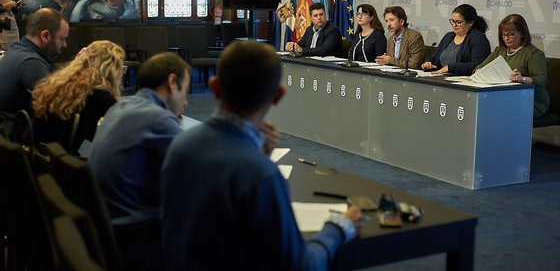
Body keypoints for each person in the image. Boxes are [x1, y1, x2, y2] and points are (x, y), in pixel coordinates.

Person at [161, 41, 363, 270]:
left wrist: (257, 155)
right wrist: (337, 228)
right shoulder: (262, 175)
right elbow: (300, 266)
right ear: (278, 95)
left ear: (214, 87)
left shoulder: (179, 146)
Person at [89, 52, 191, 271]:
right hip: (136, 243)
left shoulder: (119, 108)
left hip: (105, 235)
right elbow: (198, 175)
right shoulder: (158, 119)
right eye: (185, 90)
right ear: (172, 83)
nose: (186, 100)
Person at [31, 40, 125, 154]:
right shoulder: (101, 99)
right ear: (113, 70)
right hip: (63, 162)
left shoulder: (56, 84)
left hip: (37, 155)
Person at [0, 8, 68, 125]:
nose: (65, 45)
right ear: (45, 36)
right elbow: (58, 105)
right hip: (16, 138)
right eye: (62, 39)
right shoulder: (31, 63)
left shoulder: (17, 49)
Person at [474, 14, 549, 119]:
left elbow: (541, 80)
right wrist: (480, 71)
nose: (506, 38)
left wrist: (522, 79)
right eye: (503, 35)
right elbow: (479, 67)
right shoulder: (499, 51)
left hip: (531, 101)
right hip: (503, 97)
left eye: (511, 35)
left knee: (496, 112)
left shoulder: (533, 53)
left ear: (521, 33)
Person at [421, 4, 490, 75]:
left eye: (458, 22)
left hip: (463, 81)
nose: (454, 25)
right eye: (452, 21)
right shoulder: (448, 36)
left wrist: (451, 67)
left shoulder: (478, 38)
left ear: (470, 23)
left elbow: (478, 65)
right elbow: (434, 57)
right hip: (441, 78)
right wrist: (428, 63)